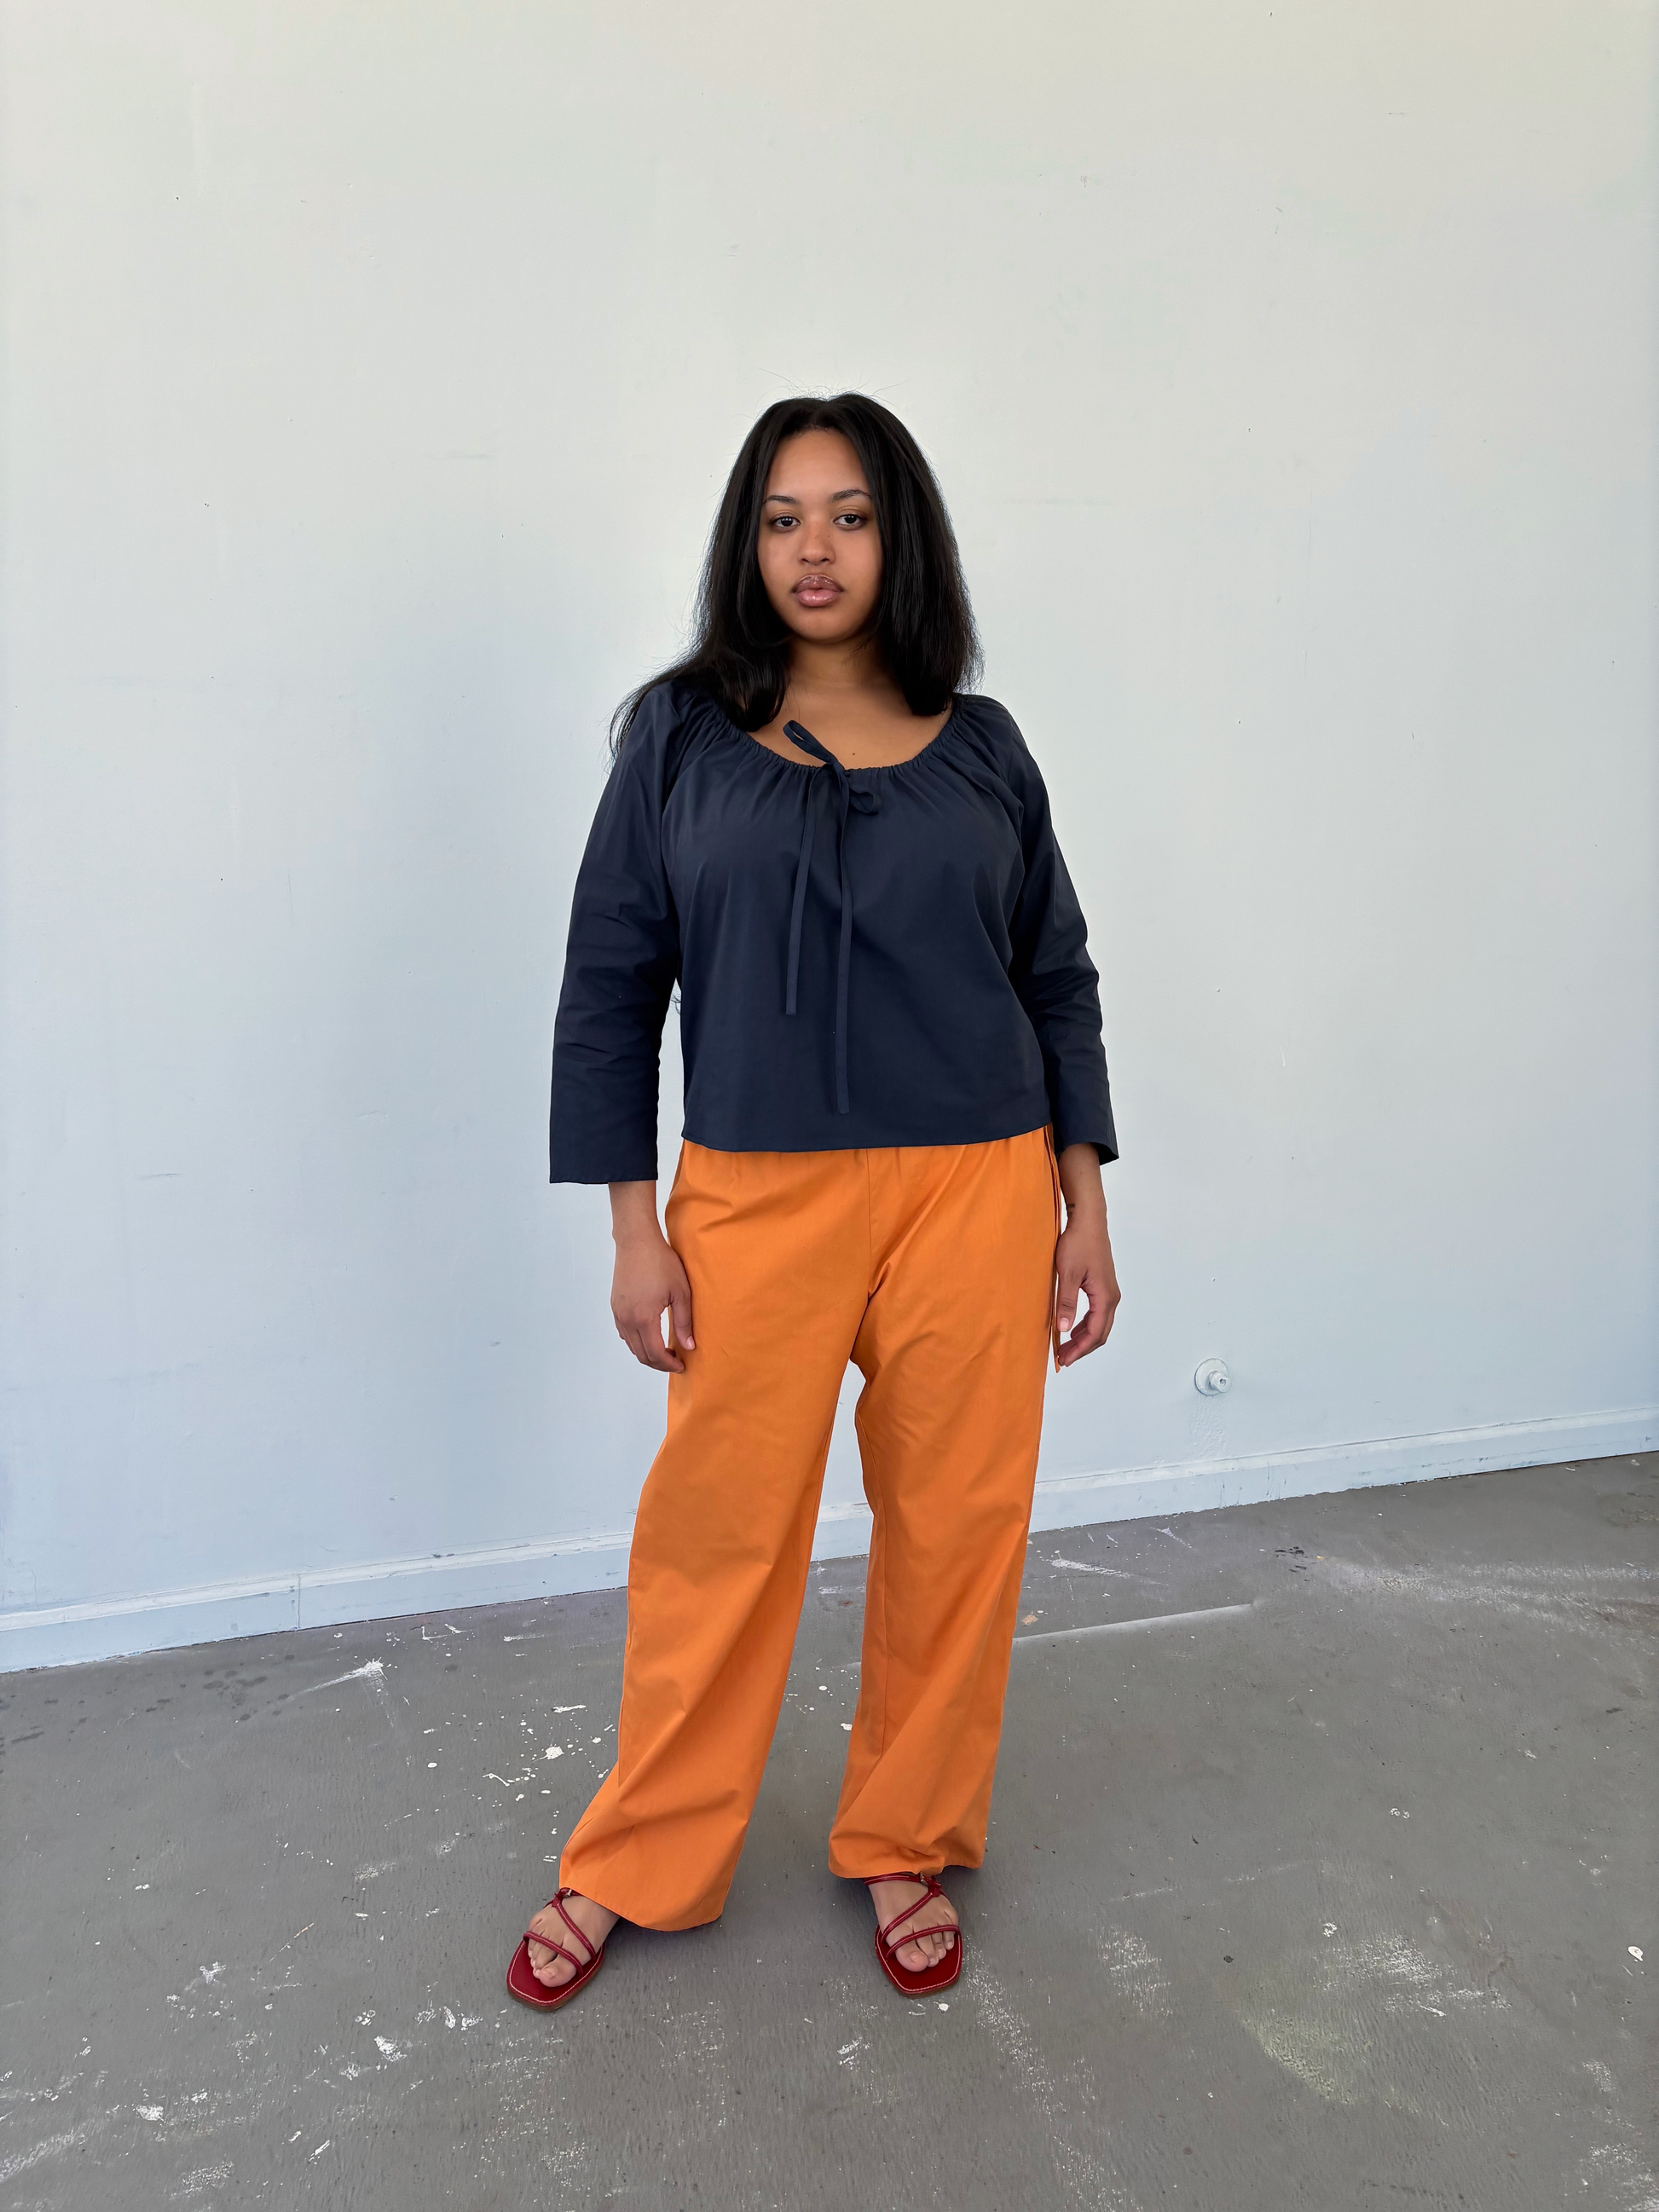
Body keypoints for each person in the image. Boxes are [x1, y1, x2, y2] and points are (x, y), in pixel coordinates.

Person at [506, 393, 1120, 2012]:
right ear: (747, 541)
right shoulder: (678, 737)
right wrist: (633, 1225)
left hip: (980, 1186)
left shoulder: (984, 747)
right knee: (715, 1534)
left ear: (899, 538)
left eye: (849, 515)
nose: (816, 549)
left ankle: (906, 1833)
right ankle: (639, 1852)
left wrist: (1082, 1203)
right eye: (783, 518)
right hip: (754, 1195)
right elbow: (610, 983)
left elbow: (1054, 976)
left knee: (958, 1526)